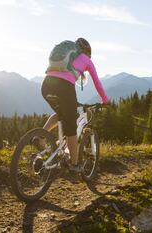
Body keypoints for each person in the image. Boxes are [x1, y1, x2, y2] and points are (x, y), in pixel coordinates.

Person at [41, 38, 108, 172]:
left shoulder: (67, 55)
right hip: (64, 87)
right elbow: (97, 83)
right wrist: (105, 100)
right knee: (71, 126)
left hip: (46, 85)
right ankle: (74, 164)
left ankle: (39, 137)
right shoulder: (86, 60)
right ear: (88, 52)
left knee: (61, 114)